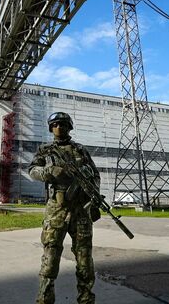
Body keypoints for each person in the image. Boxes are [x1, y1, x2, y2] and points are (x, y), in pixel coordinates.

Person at [29, 112, 100, 304]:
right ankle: (45, 298)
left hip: (81, 210)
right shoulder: (45, 149)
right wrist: (49, 171)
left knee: (84, 258)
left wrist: (94, 198)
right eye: (55, 124)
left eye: (63, 124)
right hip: (57, 210)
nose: (59, 127)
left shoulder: (80, 150)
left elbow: (94, 175)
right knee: (50, 256)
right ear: (51, 128)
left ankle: (86, 299)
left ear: (69, 127)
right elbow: (32, 170)